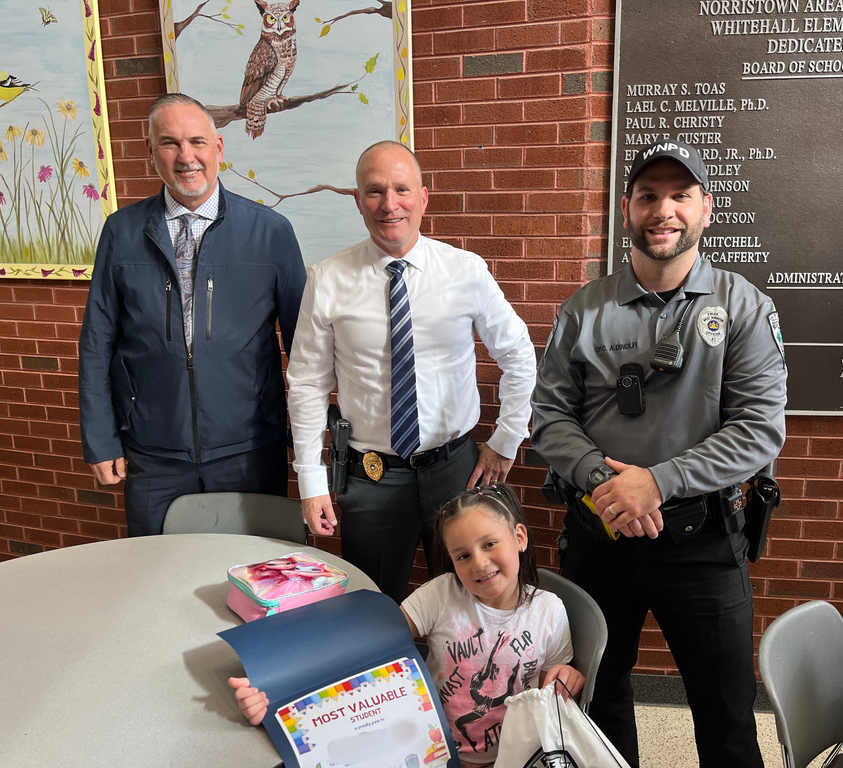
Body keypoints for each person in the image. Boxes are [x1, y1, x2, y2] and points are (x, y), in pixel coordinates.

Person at [531, 139, 787, 768]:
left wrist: (659, 482)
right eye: (648, 196)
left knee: (726, 718)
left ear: (706, 209)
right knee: (597, 704)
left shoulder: (743, 307)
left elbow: (758, 429)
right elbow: (550, 416)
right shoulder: (584, 310)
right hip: (600, 540)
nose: (662, 210)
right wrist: (604, 483)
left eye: (680, 195)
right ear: (627, 210)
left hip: (703, 546)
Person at [285, 140, 536, 603]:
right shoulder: (327, 279)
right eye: (375, 191)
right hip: (372, 477)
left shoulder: (465, 271)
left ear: (423, 197)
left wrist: (505, 442)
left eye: (402, 189)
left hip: (457, 470)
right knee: (372, 604)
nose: (389, 204)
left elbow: (519, 355)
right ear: (358, 201)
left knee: (473, 603)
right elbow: (306, 385)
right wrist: (311, 481)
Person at [78, 93, 307, 536]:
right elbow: (96, 343)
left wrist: (305, 440)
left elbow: (304, 349)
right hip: (152, 452)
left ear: (219, 147)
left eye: (197, 142)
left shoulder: (270, 232)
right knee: (157, 580)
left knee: (255, 578)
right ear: (151, 152)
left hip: (249, 448)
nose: (186, 157)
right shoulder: (121, 232)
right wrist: (100, 439)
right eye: (170, 143)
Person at [230, 483, 585, 768]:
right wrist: (274, 683)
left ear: (519, 538)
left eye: (490, 544)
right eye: (462, 555)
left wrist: (569, 679)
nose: (479, 564)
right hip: (431, 749)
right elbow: (361, 645)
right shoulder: (442, 595)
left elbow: (556, 681)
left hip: (516, 756)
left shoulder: (549, 611)